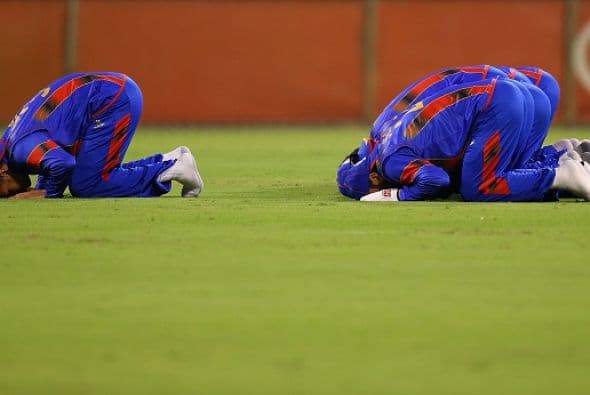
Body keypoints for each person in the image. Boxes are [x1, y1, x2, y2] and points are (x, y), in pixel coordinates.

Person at [337, 77, 590, 202]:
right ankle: (566, 156)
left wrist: (395, 196)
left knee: (478, 188)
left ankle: (563, 174)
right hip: (515, 94)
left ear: (372, 178)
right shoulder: (385, 136)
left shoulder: (388, 161)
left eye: (372, 190)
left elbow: (436, 180)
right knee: (501, 170)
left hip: (497, 104)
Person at [0, 72, 203, 199]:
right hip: (112, 92)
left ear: (3, 172)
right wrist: (42, 188)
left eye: (5, 192)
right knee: (89, 175)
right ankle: (169, 160)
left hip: (112, 100)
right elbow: (50, 160)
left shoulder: (20, 149)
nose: (11, 194)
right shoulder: (13, 141)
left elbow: (63, 163)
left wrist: (47, 194)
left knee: (87, 184)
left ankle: (175, 169)